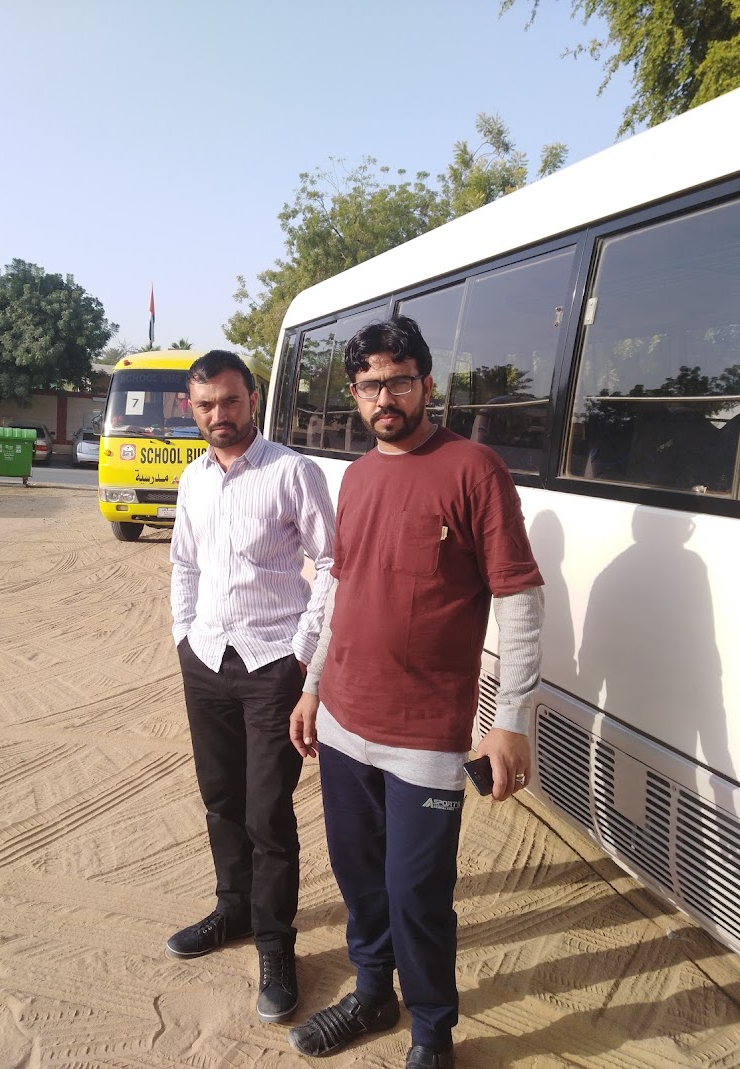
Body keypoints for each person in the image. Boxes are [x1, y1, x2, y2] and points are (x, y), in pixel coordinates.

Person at [287, 317, 544, 1069]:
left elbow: (518, 597)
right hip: (343, 721)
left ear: (427, 383)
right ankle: (372, 994)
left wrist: (511, 719)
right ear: (355, 393)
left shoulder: (474, 469)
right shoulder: (358, 476)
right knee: (359, 876)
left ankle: (432, 1031)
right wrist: (313, 687)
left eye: (399, 381)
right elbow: (341, 590)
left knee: (417, 892)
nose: (384, 398)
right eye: (368, 385)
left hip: (426, 734)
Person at [167, 350, 335, 1025]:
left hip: (272, 663)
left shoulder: (292, 472)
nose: (219, 415)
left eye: (230, 401)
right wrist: (183, 634)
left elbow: (332, 562)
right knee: (220, 798)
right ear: (193, 408)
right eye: (206, 405)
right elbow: (183, 562)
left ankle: (275, 942)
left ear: (252, 399)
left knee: (267, 811)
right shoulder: (192, 478)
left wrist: (303, 653)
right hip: (206, 659)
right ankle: (232, 908)